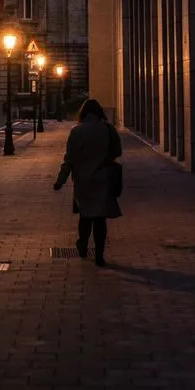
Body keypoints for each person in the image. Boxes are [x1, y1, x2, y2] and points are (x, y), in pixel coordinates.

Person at [53, 98, 122, 267]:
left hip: (83, 180)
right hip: (103, 178)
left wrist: (60, 181)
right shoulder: (108, 129)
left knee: (85, 216)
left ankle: (82, 243)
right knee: (100, 219)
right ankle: (99, 254)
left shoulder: (77, 131)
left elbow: (69, 160)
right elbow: (117, 151)